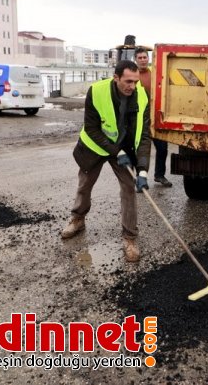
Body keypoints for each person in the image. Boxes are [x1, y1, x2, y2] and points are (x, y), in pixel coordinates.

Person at [61, 60, 151, 263]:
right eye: (128, 81)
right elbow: (92, 129)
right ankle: (78, 219)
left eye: (135, 82)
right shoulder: (97, 91)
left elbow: (144, 135)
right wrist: (115, 151)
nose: (132, 86)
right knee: (85, 184)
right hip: (96, 145)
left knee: (129, 188)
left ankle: (130, 238)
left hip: (124, 148)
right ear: (116, 77)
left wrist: (143, 170)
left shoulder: (142, 96)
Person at [135, 47, 173, 187]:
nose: (143, 60)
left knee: (162, 148)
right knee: (140, 149)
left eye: (145, 57)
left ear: (148, 58)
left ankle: (159, 175)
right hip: (140, 118)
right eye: (140, 58)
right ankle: (139, 177)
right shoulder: (133, 75)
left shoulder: (155, 72)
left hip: (155, 116)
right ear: (136, 59)